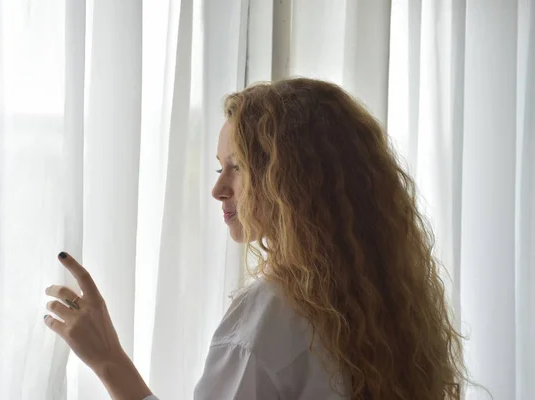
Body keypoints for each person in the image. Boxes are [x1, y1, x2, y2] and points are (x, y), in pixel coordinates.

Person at [43, 78, 466, 399]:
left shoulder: (272, 311)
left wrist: (107, 360)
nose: (219, 189)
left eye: (237, 167)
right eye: (218, 168)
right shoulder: (382, 305)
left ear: (293, 180)